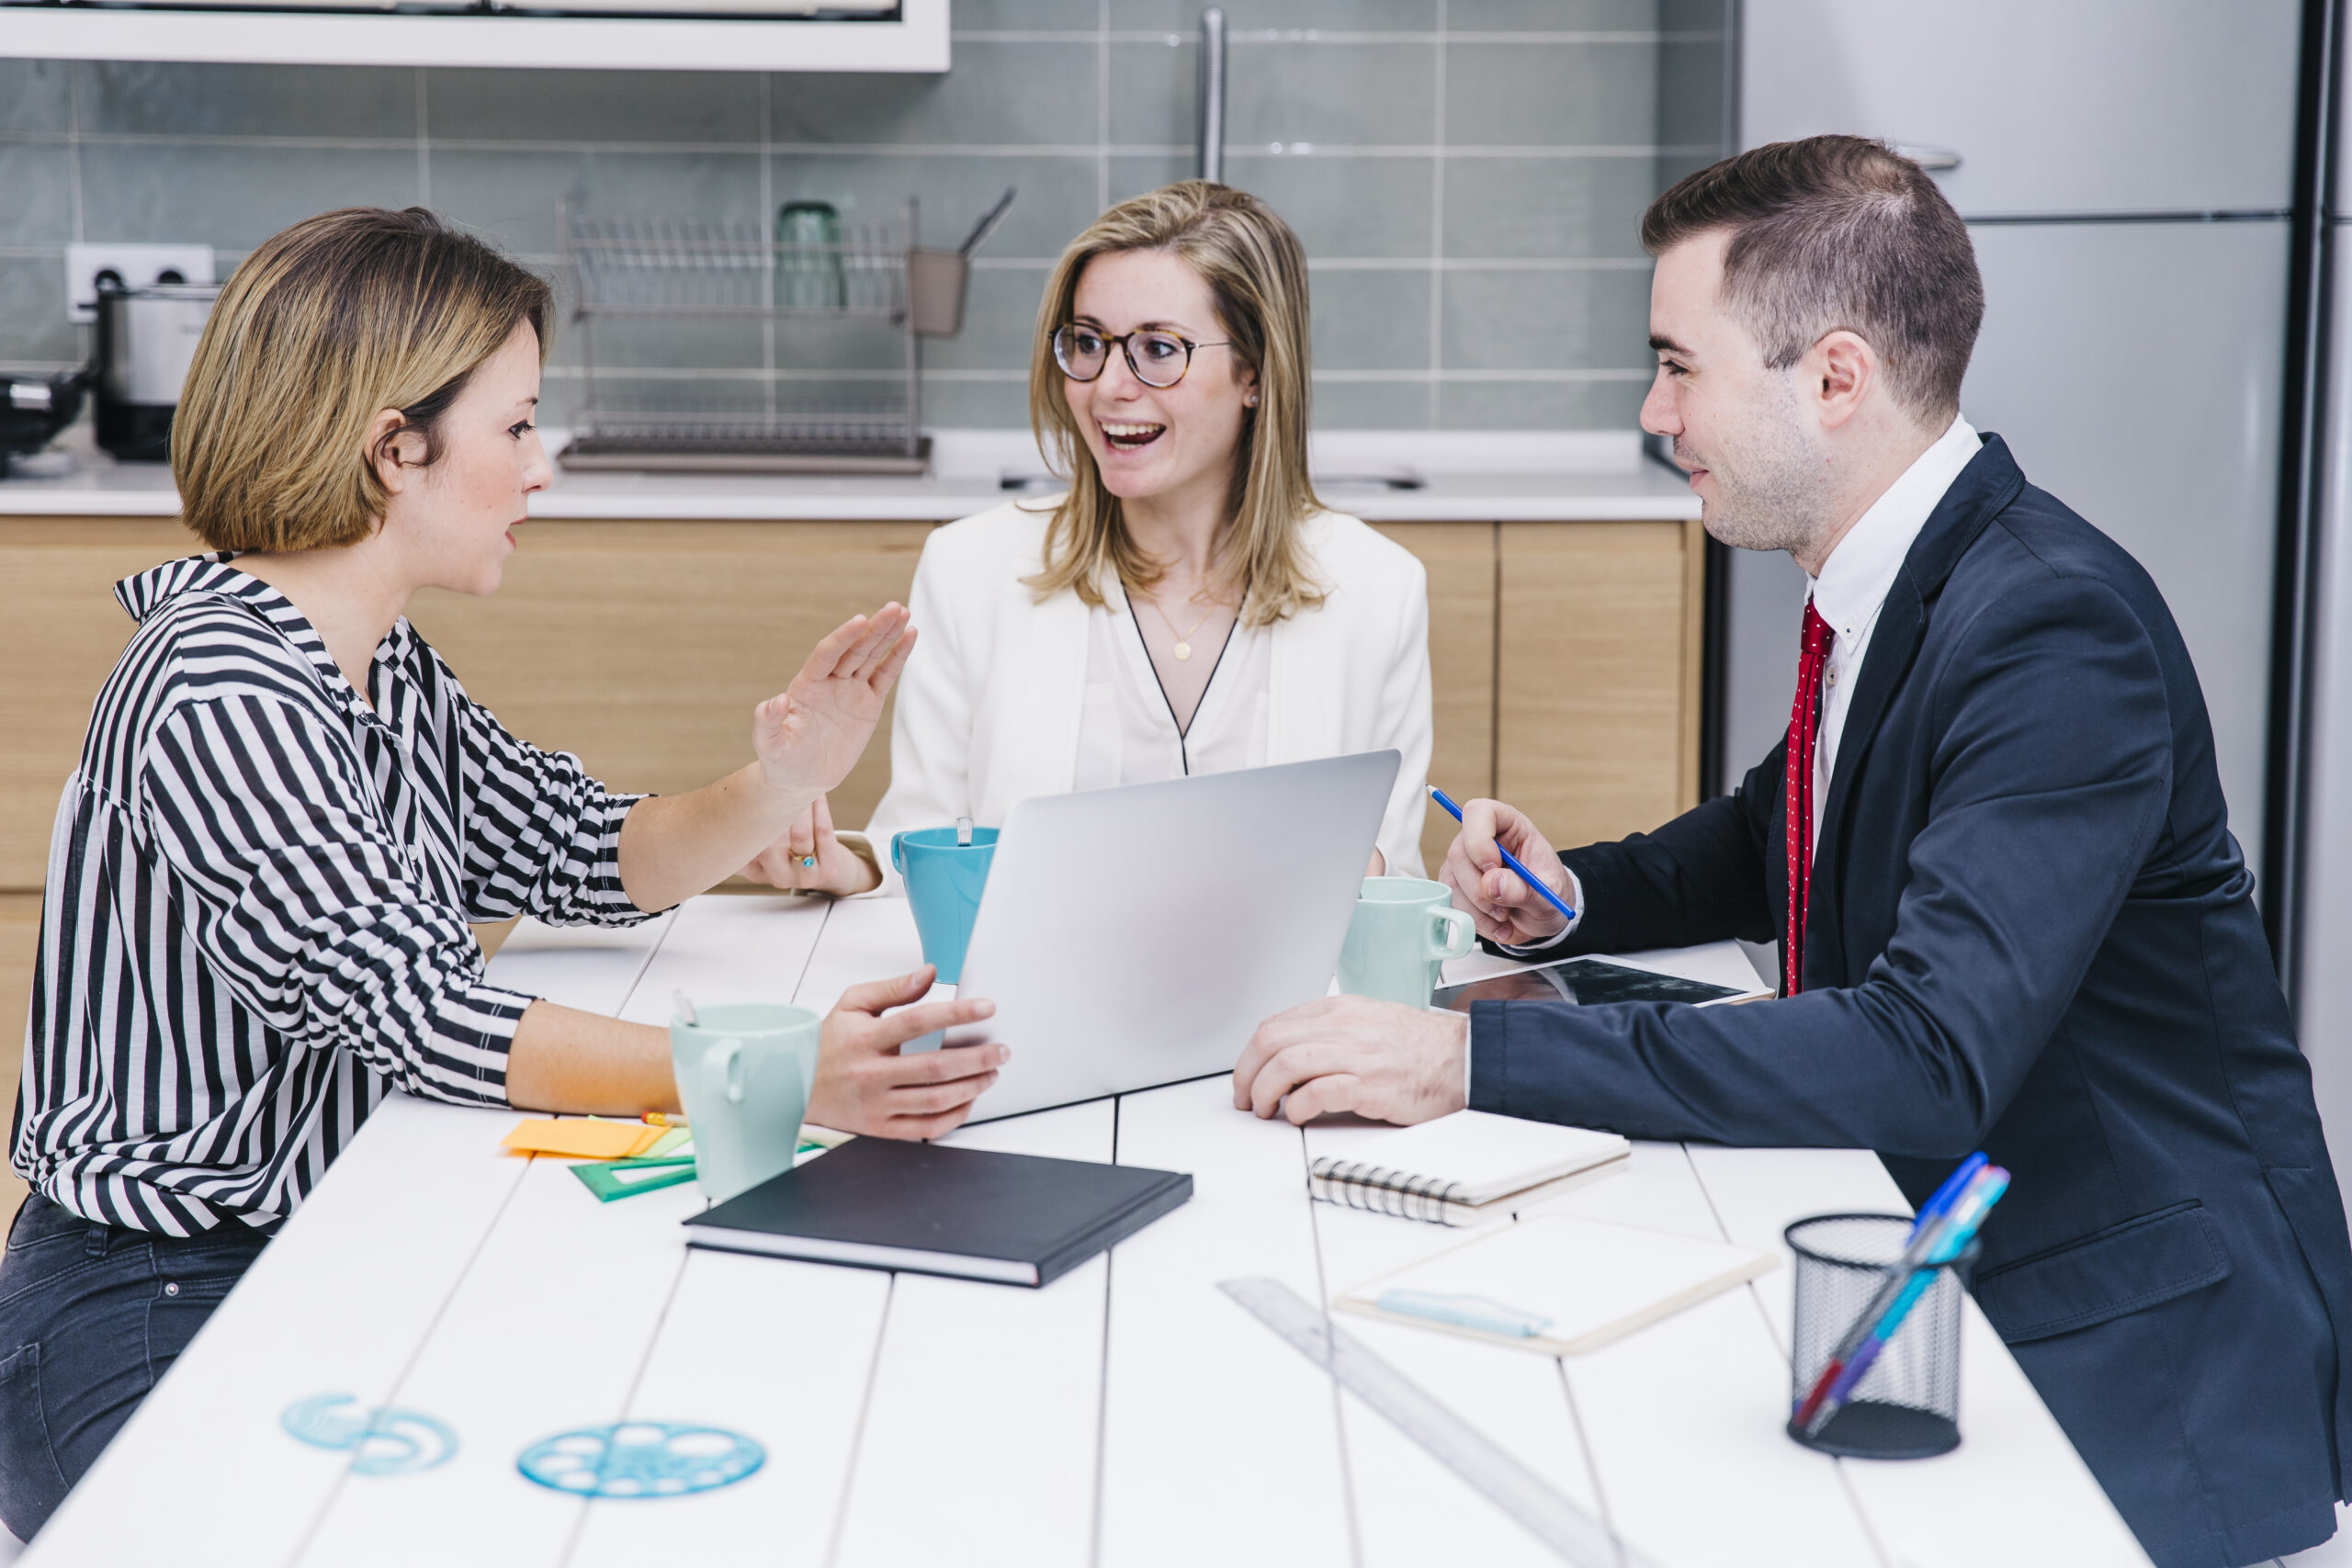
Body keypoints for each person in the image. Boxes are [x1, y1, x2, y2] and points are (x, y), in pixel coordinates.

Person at [1231, 137, 2352, 1568]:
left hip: (2138, 1361)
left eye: (1677, 365)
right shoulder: (1906, 577)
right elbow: (1784, 829)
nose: (1652, 412)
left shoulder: (2052, 628)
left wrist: (1463, 1060)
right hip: (1939, 1267)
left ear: (1834, 379)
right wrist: (1568, 895)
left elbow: (1926, 1050)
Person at [0, 208, 1007, 1540]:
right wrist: (770, 1068)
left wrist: (782, 777)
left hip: (323, 1233)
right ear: (392, 447)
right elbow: (420, 1011)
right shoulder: (222, 688)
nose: (544, 467)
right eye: (518, 425)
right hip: (148, 1293)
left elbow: (581, 843)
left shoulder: (374, 659)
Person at [741, 181, 1433, 894]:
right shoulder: (969, 570)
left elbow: (1394, 890)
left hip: (1290, 1008)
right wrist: (839, 862)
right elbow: (926, 844)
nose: (1108, 387)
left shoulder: (1379, 590)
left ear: (1254, 371)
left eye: (1159, 348)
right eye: (1088, 342)